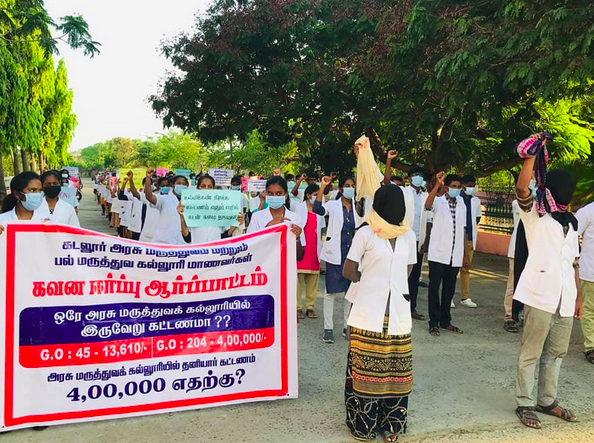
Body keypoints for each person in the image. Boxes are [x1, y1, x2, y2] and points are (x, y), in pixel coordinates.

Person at [514, 137, 582, 429]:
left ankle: (547, 400)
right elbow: (522, 188)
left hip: (565, 299)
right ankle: (525, 402)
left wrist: (577, 297)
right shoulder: (535, 215)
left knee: (556, 354)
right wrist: (532, 155)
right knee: (532, 352)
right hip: (539, 295)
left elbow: (573, 263)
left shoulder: (573, 222)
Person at [342, 185, 416, 443]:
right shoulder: (366, 233)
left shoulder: (408, 235)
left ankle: (391, 424)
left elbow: (407, 269)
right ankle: (363, 424)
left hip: (397, 314)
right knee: (365, 372)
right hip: (367, 313)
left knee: (396, 372)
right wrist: (369, 280)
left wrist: (390, 284)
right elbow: (348, 270)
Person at [314, 176, 356, 343]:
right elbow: (317, 208)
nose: (350, 189)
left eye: (352, 186)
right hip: (335, 254)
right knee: (330, 292)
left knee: (350, 293)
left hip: (352, 255)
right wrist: (322, 185)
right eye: (347, 186)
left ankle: (347, 326)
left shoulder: (358, 207)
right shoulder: (333, 205)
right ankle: (328, 328)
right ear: (340, 189)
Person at [424, 172, 466, 337]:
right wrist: (437, 185)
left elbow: (462, 228)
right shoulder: (439, 202)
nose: (456, 190)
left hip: (454, 254)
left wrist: (464, 254)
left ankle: (445, 320)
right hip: (438, 253)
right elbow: (427, 205)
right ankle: (433, 322)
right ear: (447, 187)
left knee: (449, 289)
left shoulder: (461, 203)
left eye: (458, 187)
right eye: (453, 186)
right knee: (434, 288)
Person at [179, 174, 245, 243]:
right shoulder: (190, 208)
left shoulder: (221, 209)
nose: (206, 189)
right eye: (203, 186)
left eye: (210, 187)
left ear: (214, 189)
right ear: (198, 188)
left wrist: (235, 224)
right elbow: (187, 238)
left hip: (215, 251)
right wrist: (182, 217)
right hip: (198, 251)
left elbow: (224, 236)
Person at [401, 166, 430, 321]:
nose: (418, 177)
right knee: (401, 274)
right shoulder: (403, 192)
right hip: (404, 239)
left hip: (419, 240)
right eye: (415, 175)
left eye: (420, 175)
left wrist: (426, 241)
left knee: (414, 276)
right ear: (409, 177)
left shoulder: (426, 196)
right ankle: (398, 306)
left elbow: (429, 219)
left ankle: (412, 308)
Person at [294, 184, 325, 320]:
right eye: (315, 194)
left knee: (313, 280)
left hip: (315, 248)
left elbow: (322, 229)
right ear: (308, 195)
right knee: (298, 280)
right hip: (303, 247)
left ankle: (310, 307)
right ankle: (297, 307)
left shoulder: (320, 210)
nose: (317, 197)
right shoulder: (299, 208)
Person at [143, 169, 188, 245]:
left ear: (187, 186)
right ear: (173, 186)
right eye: (179, 183)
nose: (181, 185)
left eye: (184, 184)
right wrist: (148, 178)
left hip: (183, 243)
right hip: (164, 241)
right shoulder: (165, 199)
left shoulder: (191, 200)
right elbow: (149, 197)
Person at [459, 175, 482, 308]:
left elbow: (477, 218)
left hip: (469, 238)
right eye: (469, 185)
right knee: (452, 267)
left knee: (466, 267)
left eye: (473, 185)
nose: (471, 188)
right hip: (457, 238)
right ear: (463, 185)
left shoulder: (476, 201)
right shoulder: (457, 199)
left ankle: (465, 296)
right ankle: (448, 296)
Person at [0, 172, 47, 237]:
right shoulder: (2, 220)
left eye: (40, 190)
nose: (38, 194)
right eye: (32, 190)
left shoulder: (47, 220)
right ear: (17, 194)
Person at [576, 201, 594, 364]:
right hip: (590, 271)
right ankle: (591, 346)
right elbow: (572, 235)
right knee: (589, 310)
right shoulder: (587, 212)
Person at [504, 198, 521, 332]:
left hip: (534, 251)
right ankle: (509, 316)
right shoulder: (518, 203)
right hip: (517, 250)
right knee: (512, 284)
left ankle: (523, 314)